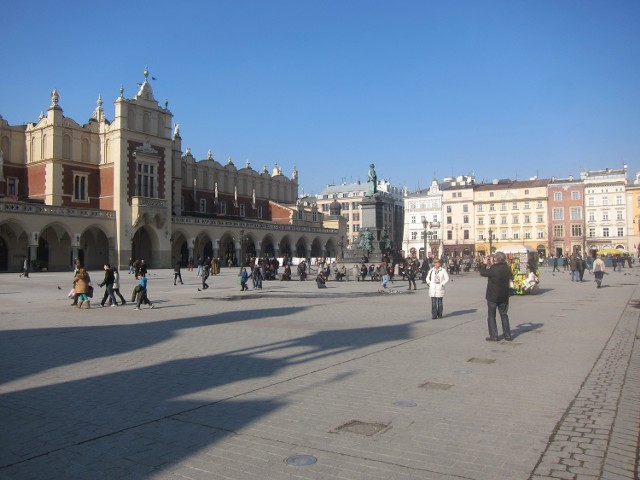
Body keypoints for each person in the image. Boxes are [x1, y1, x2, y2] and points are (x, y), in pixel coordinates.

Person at [479, 252, 513, 341]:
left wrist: (484, 263)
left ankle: (494, 335)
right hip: (504, 295)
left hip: (493, 296)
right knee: (504, 315)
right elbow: (511, 277)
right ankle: (507, 335)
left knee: (491, 315)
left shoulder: (494, 268)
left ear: (495, 259)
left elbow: (483, 273)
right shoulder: (507, 268)